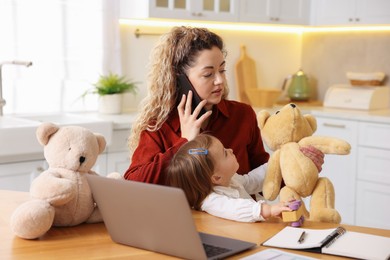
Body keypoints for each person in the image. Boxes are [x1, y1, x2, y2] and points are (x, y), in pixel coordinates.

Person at [124, 26, 324, 184]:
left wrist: (298, 165)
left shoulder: (242, 115)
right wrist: (184, 143)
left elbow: (264, 175)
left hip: (239, 223)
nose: (219, 80)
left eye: (222, 70)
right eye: (208, 74)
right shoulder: (159, 125)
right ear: (181, 79)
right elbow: (134, 182)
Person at [166, 134, 291, 222]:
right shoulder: (211, 201)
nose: (230, 150)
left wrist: (278, 162)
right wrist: (267, 210)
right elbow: (234, 208)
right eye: (225, 153)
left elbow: (251, 181)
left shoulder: (230, 180)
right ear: (216, 177)